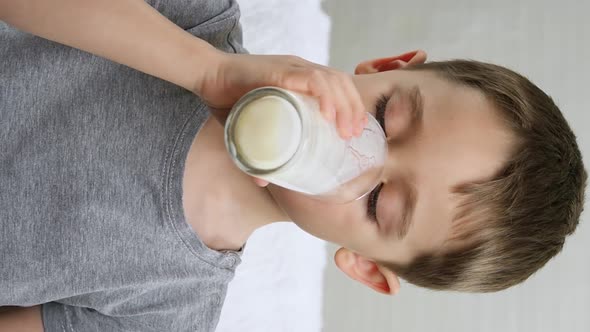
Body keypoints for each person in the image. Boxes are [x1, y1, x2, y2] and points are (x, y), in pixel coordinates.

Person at [0, 0, 586, 331]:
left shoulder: (164, 311)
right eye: (383, 115)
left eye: (379, 201)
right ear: (385, 65)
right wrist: (206, 71)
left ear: (364, 266)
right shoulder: (195, 20)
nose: (355, 148)